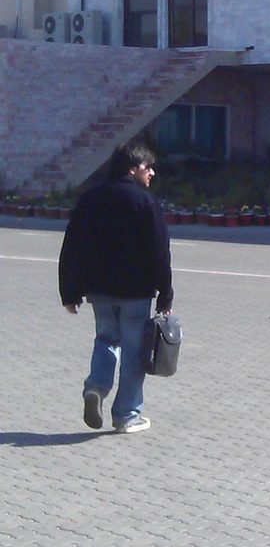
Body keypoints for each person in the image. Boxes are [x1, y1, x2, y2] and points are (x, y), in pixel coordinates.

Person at [58, 140, 173, 435]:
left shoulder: (90, 198)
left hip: (98, 290)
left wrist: (69, 291)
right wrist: (165, 293)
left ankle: (95, 388)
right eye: (148, 167)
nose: (152, 173)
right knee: (134, 351)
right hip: (135, 291)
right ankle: (126, 415)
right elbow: (159, 251)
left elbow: (71, 245)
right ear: (133, 168)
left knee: (106, 339)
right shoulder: (145, 202)